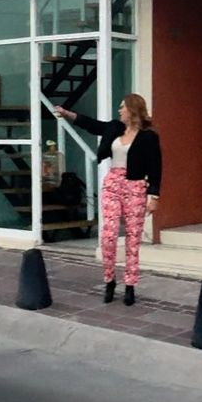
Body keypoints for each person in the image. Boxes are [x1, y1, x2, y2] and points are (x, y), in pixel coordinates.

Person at [53, 95, 161, 304]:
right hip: (113, 183)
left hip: (135, 186)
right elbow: (92, 125)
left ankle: (130, 284)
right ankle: (109, 279)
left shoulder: (148, 137)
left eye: (122, 107)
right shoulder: (114, 128)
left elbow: (156, 167)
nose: (119, 111)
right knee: (109, 235)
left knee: (133, 238)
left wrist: (154, 196)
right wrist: (67, 114)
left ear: (132, 109)